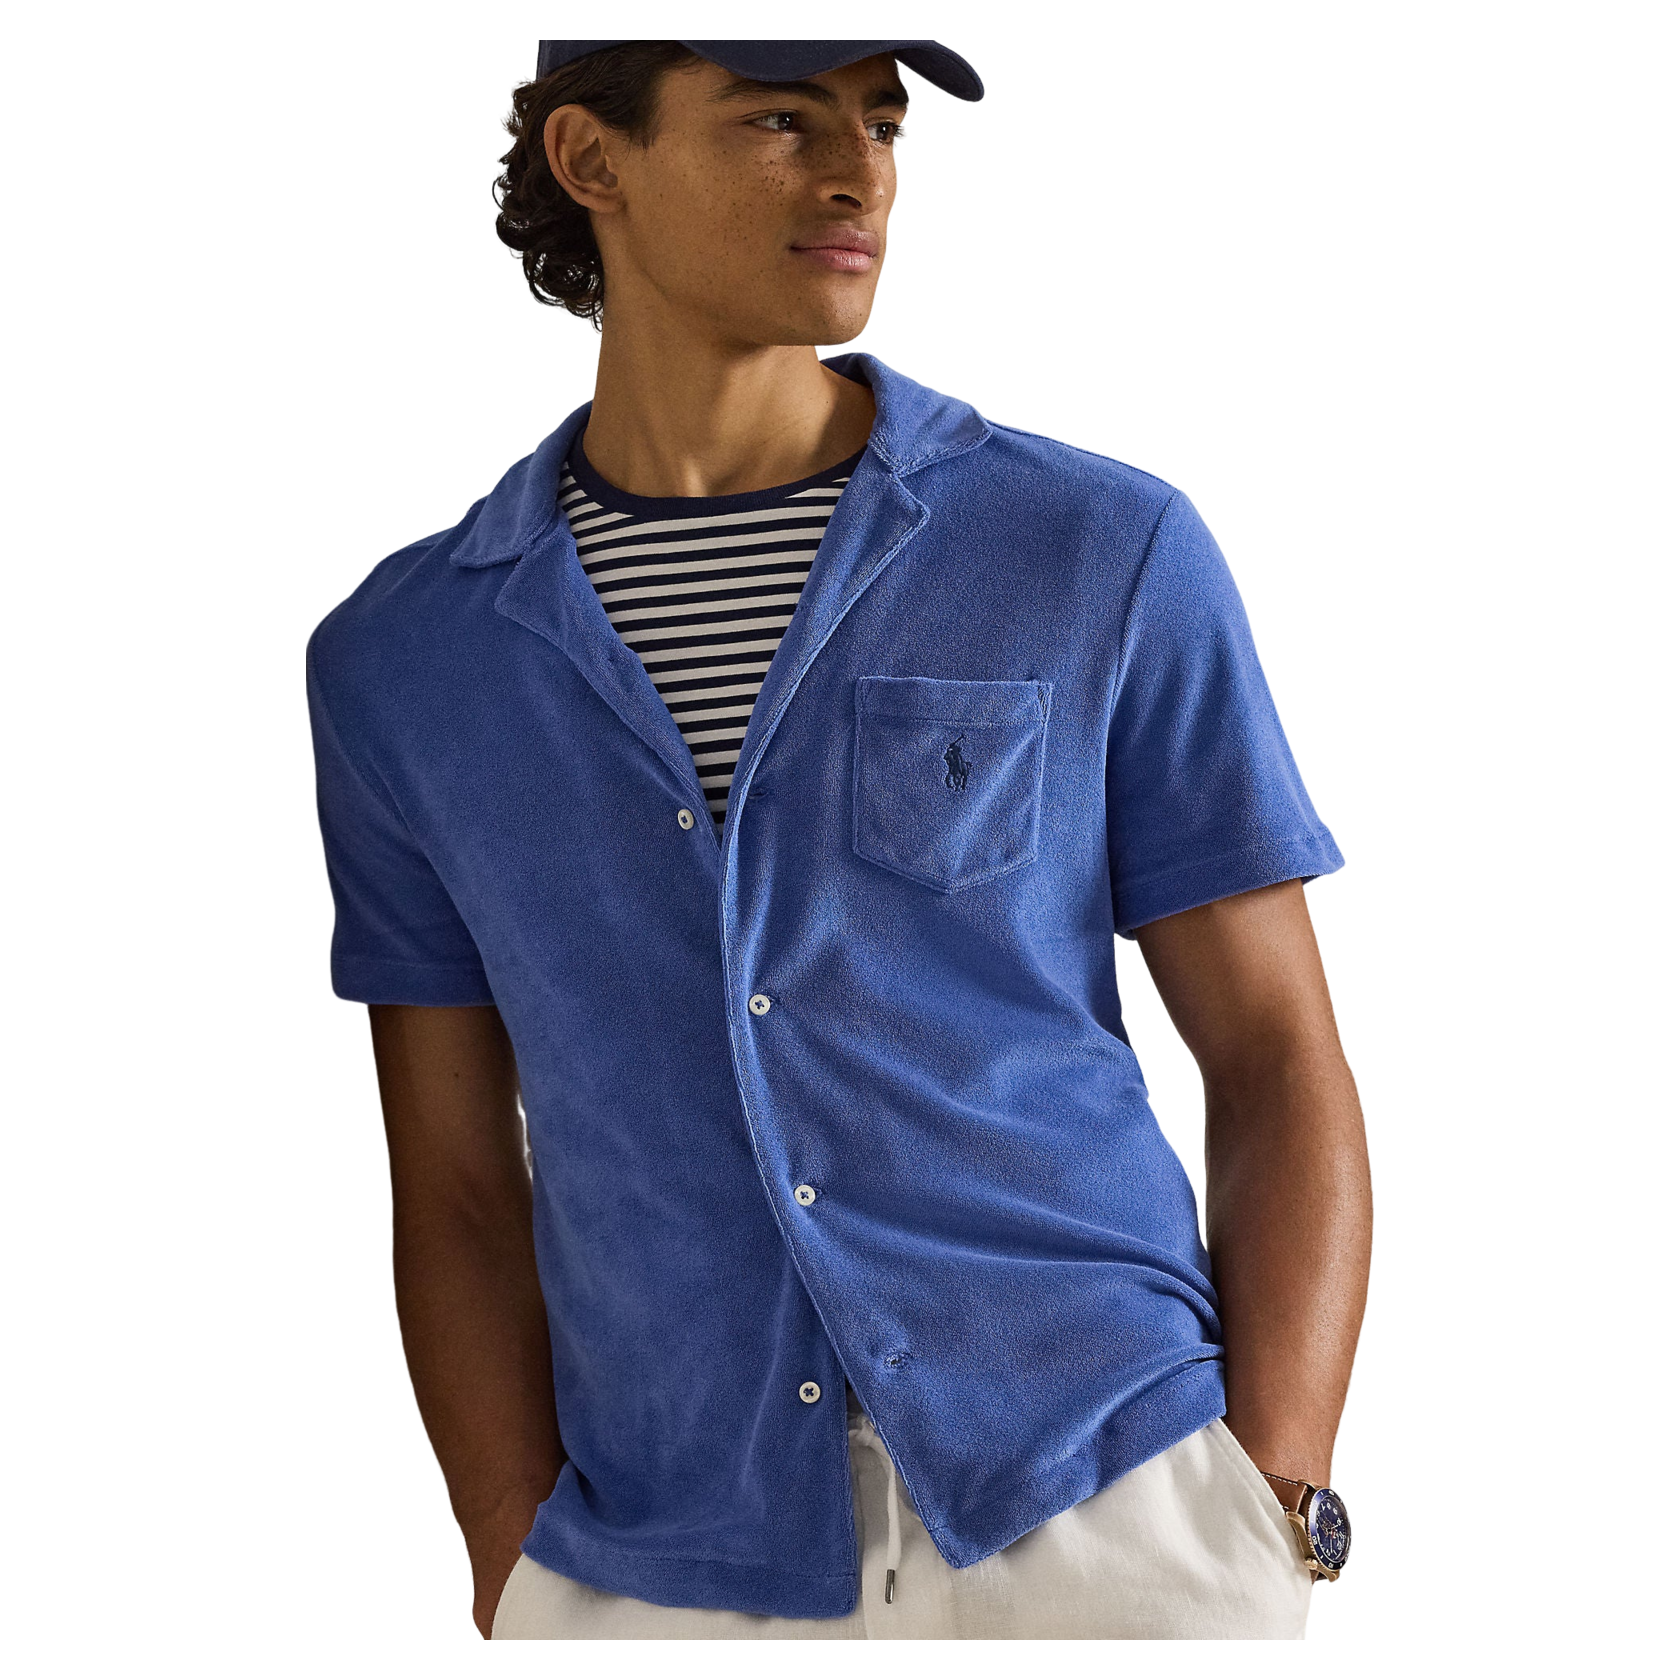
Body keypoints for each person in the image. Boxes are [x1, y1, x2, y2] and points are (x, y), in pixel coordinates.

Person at [305, 38, 1374, 1641]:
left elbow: (1277, 1057)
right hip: (660, 1562)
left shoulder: (1100, 545)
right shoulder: (404, 658)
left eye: (880, 125)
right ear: (593, 162)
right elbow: (455, 1186)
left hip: (1112, 1522)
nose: (858, 172)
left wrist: (1273, 1506)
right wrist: (508, 1561)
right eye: (777, 119)